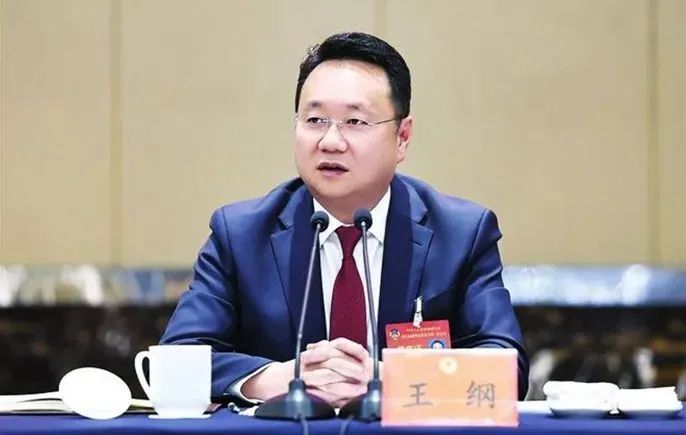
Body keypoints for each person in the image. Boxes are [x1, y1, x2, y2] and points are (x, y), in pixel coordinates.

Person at [160, 32, 529, 407]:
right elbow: (177, 358)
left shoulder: (461, 234)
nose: (330, 141)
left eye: (355, 121)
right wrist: (277, 379)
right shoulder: (241, 235)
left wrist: (389, 380)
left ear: (402, 137)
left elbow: (506, 369)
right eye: (315, 119)